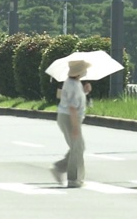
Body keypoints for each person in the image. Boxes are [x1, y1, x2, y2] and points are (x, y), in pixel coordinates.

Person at [51, 60, 91, 188]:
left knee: (78, 147)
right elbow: (72, 108)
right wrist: (74, 127)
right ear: (79, 72)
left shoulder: (74, 83)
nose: (86, 71)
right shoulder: (73, 85)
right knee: (77, 148)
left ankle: (60, 168)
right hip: (69, 118)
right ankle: (74, 179)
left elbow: (75, 100)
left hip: (69, 117)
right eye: (84, 69)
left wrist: (85, 92)